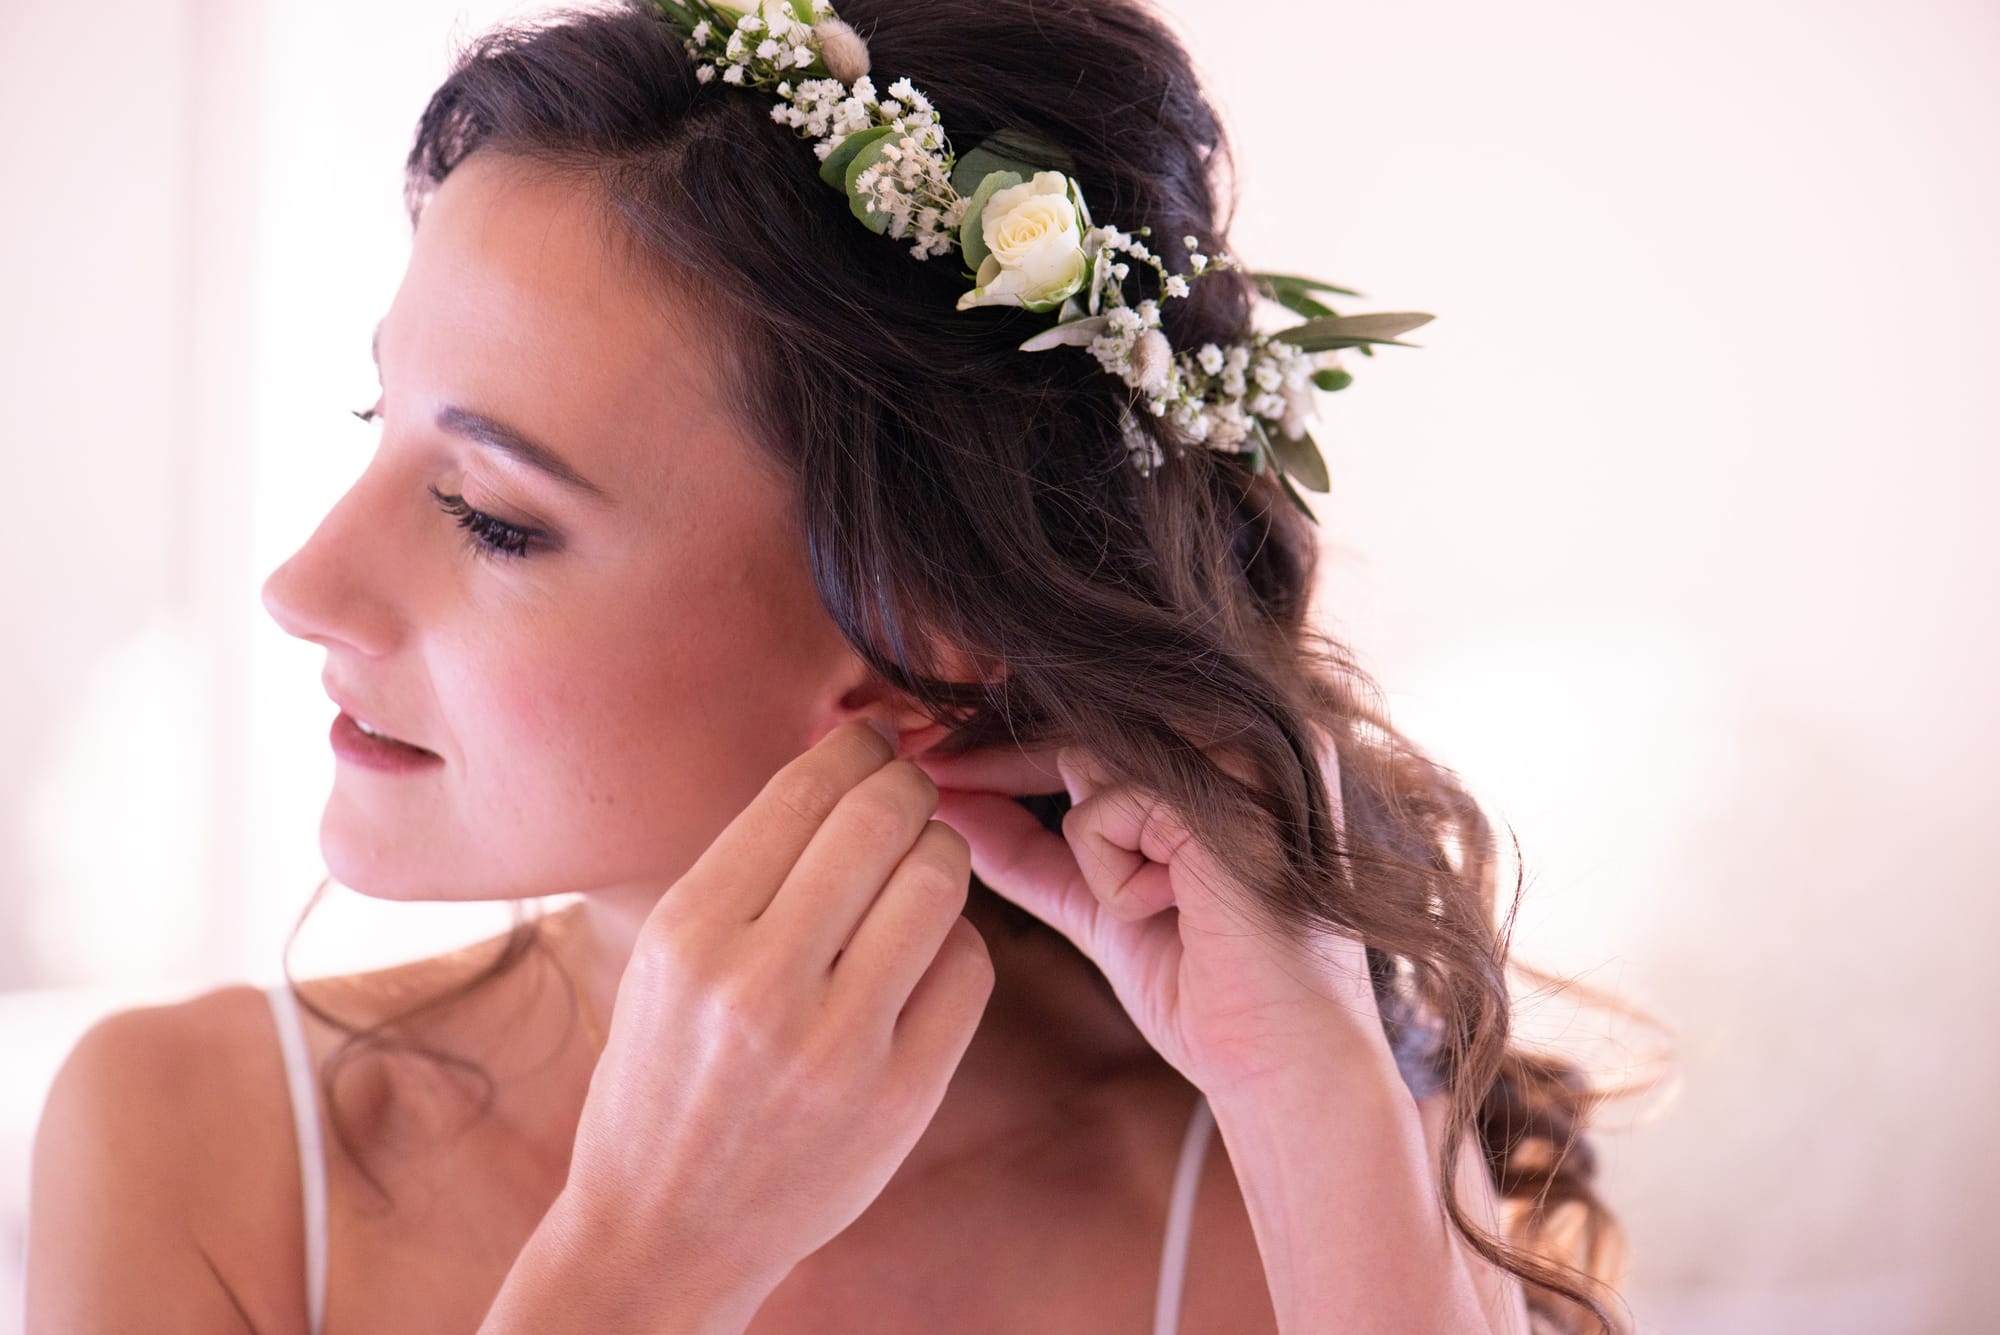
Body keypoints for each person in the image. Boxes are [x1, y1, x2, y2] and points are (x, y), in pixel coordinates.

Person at [25, 1, 1636, 1331]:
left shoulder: (1261, 1213)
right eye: (380, 430)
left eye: (490, 516)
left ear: (912, 653)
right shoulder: (190, 1150)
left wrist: (1337, 1109)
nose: (303, 584)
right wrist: (641, 1266)